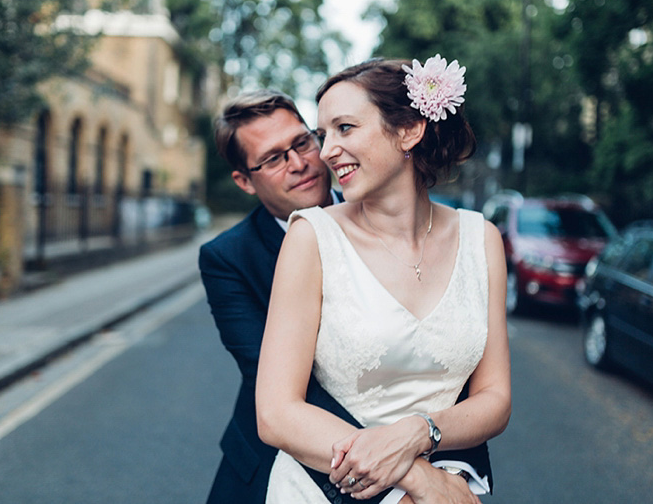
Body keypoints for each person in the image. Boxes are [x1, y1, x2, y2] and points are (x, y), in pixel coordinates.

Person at [199, 89, 494, 504]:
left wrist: (434, 454)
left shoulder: (394, 219)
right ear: (244, 181)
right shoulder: (227, 258)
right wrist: (410, 475)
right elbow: (288, 389)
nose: (300, 163)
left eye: (302, 142)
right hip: (290, 464)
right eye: (272, 158)